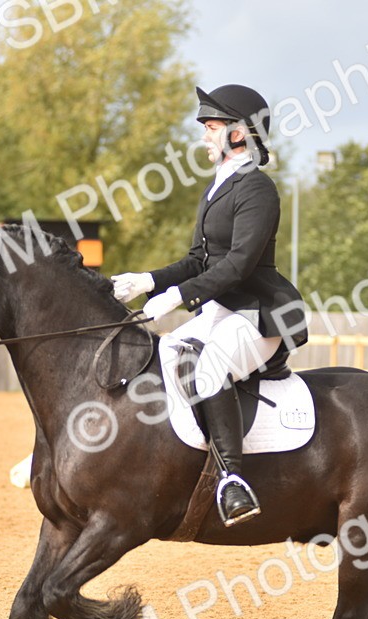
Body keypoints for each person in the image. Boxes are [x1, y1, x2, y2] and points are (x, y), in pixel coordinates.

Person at [112, 84, 307, 527]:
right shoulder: (217, 186)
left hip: (257, 313)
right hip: (219, 308)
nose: (203, 135)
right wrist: (148, 280)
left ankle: (233, 481)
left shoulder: (258, 189)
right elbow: (199, 259)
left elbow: (239, 264)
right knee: (161, 355)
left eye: (212, 127)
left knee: (209, 369)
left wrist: (177, 298)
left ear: (240, 133)